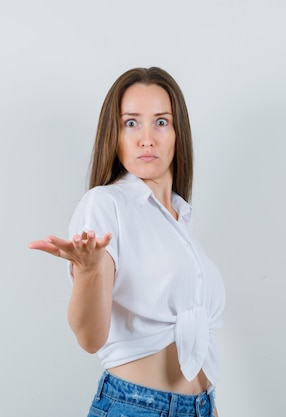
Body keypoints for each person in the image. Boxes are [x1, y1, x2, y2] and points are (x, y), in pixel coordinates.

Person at [29, 67, 225, 417]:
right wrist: (88, 272)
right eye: (131, 123)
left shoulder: (180, 222)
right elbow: (90, 339)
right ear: (114, 134)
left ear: (179, 132)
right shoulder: (106, 204)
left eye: (161, 122)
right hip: (135, 407)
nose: (146, 138)